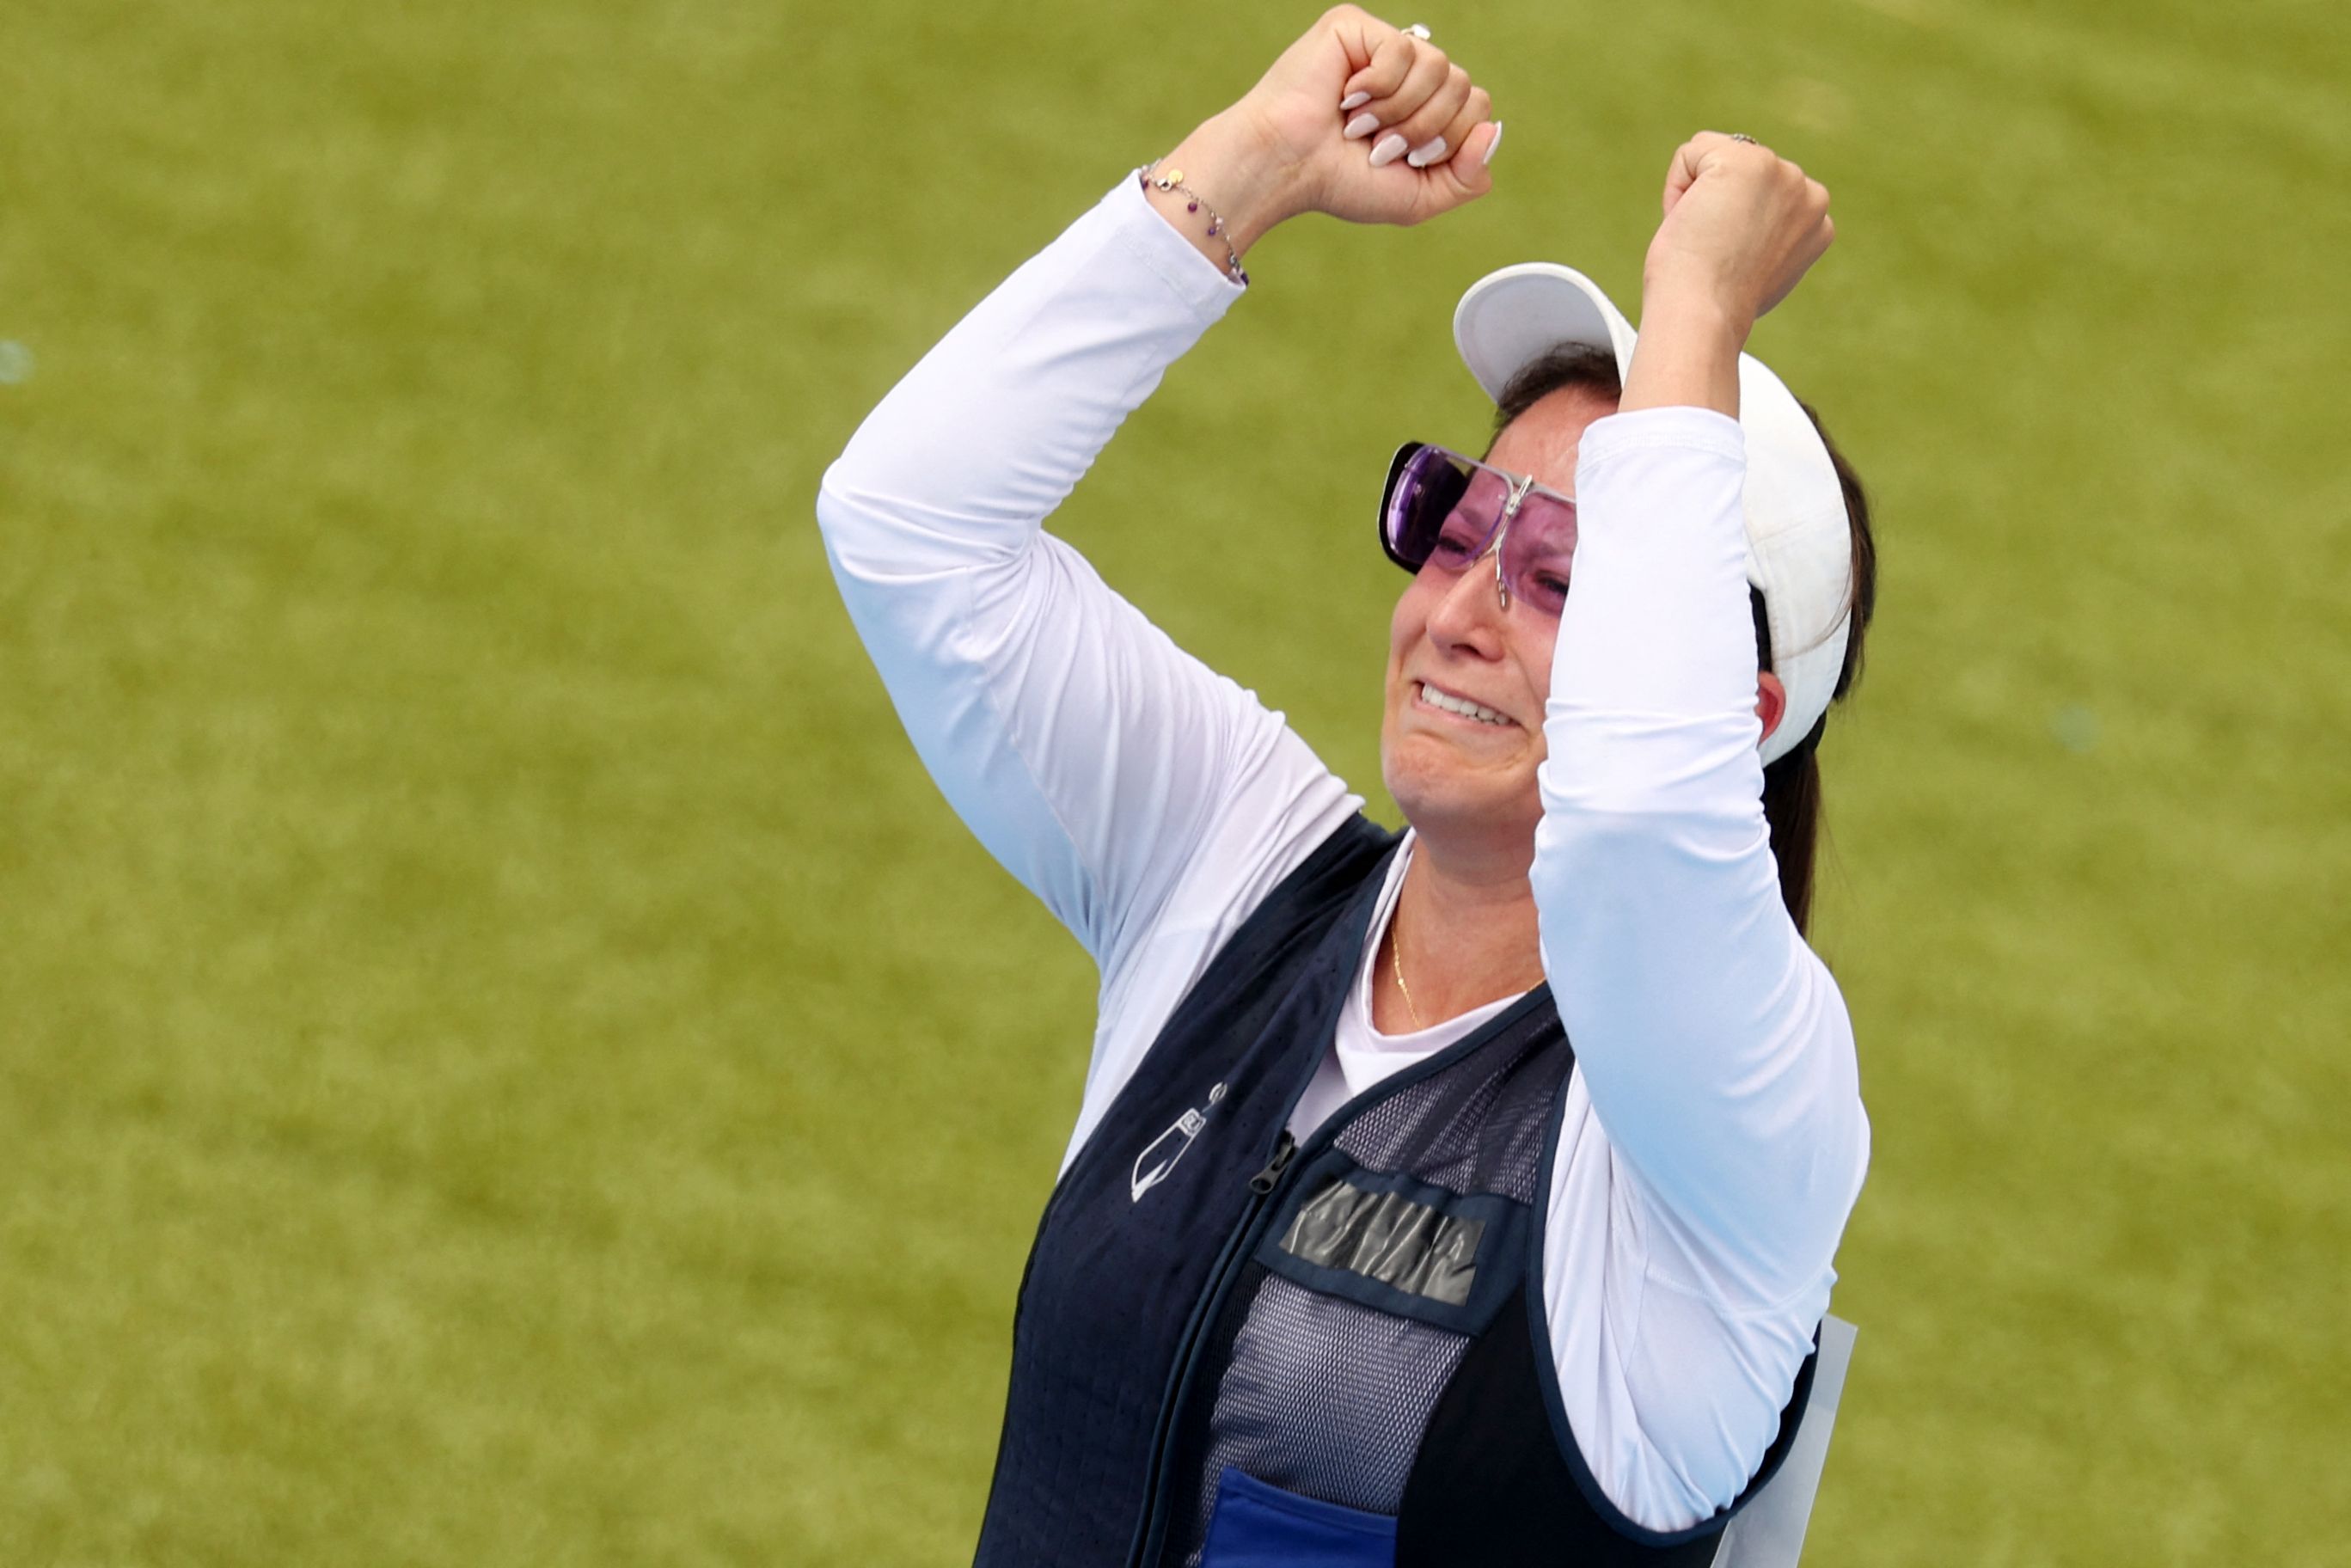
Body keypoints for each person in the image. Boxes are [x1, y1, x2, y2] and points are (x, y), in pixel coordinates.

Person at [817, 9, 1877, 1565]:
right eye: (1456, 521)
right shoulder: (1235, 863)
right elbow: (910, 528)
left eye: (1561, 574)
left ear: (1741, 706)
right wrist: (1252, 165)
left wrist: (1696, 311)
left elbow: (1645, 835)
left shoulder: (1738, 1103)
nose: (1460, 607)